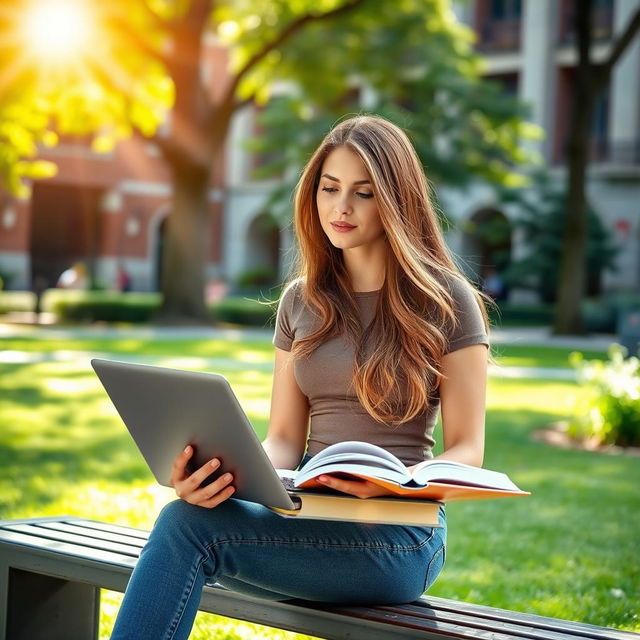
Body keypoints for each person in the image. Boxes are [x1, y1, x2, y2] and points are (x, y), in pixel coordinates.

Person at [110, 115, 490, 639]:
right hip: (303, 514)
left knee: (183, 531)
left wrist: (396, 486)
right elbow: (286, 439)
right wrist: (226, 479)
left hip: (400, 535)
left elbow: (469, 449)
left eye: (364, 192)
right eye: (329, 189)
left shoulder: (447, 301)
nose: (341, 207)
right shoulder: (301, 301)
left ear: (397, 201)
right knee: (188, 515)